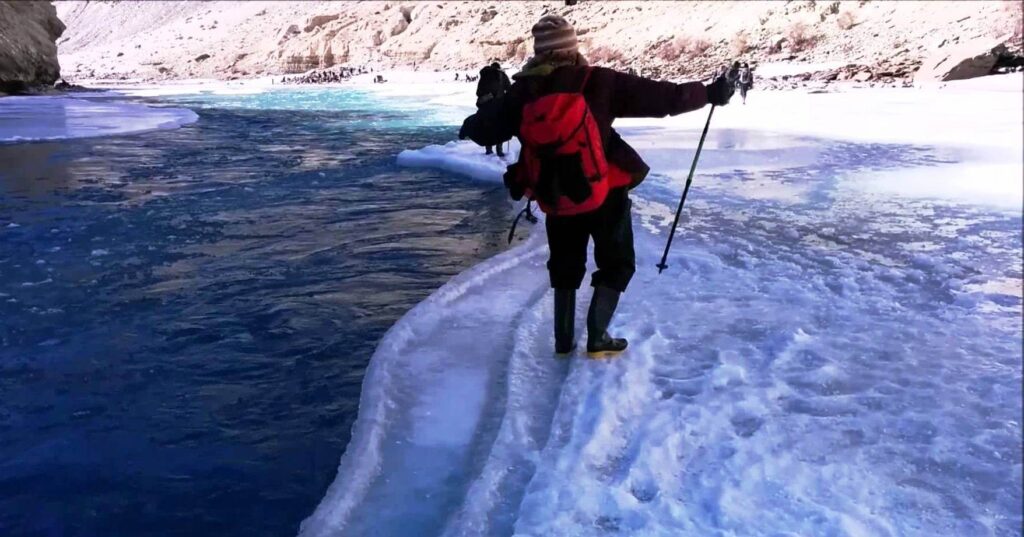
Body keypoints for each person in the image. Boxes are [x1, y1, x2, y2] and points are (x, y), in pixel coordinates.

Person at [459, 15, 734, 357]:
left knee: (564, 264)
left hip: (555, 193)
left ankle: (562, 341)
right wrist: (709, 93)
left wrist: (473, 121)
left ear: (539, 52)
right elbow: (662, 98)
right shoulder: (597, 81)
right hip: (606, 188)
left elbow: (484, 128)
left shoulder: (522, 92)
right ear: (572, 48)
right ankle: (598, 336)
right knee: (617, 262)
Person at [475, 62, 513, 157]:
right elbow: (509, 88)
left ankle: (488, 150)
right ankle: (499, 151)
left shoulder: (484, 75)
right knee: (499, 127)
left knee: (488, 127)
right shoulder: (502, 75)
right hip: (499, 105)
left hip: (486, 106)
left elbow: (478, 92)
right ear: (498, 68)